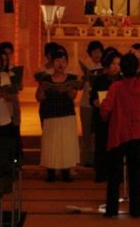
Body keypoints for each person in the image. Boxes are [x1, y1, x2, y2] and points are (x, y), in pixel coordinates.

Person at [100, 51, 140, 218]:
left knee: (114, 174)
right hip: (137, 132)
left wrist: (103, 112)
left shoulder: (116, 87)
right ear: (137, 69)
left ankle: (111, 211)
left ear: (122, 70)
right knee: (135, 173)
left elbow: (106, 108)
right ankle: (136, 211)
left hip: (118, 133)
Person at [36, 49, 80, 182]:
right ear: (52, 63)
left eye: (64, 61)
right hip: (51, 114)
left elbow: (73, 97)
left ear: (67, 63)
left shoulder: (72, 78)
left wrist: (69, 90)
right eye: (57, 61)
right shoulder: (45, 79)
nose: (61, 63)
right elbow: (38, 97)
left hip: (67, 114)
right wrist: (42, 90)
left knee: (66, 143)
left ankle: (66, 171)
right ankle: (51, 172)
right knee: (51, 144)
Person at [90, 48, 122, 182]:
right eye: (113, 64)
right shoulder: (100, 80)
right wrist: (95, 102)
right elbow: (92, 98)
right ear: (108, 64)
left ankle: (117, 174)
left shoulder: (123, 80)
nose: (115, 67)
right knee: (102, 145)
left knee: (117, 147)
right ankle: (101, 174)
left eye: (118, 64)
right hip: (102, 117)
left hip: (118, 118)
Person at [79, 41, 104, 167]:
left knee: (98, 132)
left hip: (100, 102)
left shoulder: (105, 67)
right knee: (87, 132)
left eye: (99, 51)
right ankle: (86, 159)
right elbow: (79, 86)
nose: (97, 54)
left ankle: (97, 158)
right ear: (90, 53)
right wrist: (84, 79)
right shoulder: (86, 66)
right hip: (86, 102)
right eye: (94, 52)